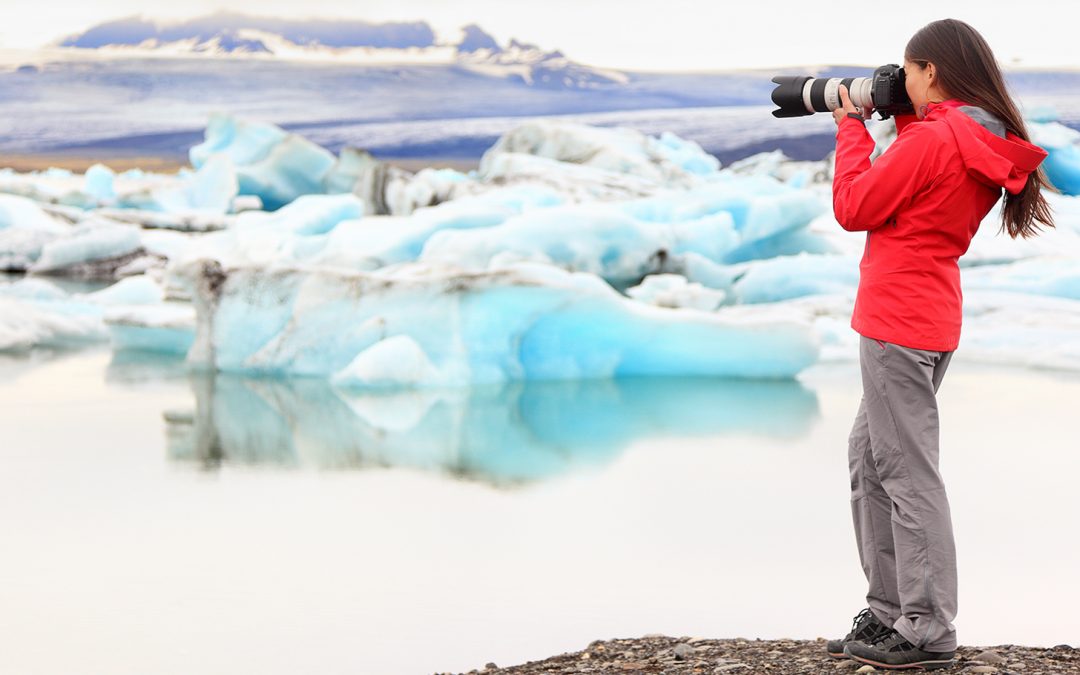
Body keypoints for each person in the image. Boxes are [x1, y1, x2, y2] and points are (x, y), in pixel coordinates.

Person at [822, 18, 1054, 671]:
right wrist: (900, 125)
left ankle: (924, 627)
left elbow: (856, 205)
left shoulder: (940, 137)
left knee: (902, 468)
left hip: (897, 317)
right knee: (871, 457)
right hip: (926, 313)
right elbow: (918, 194)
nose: (906, 83)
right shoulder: (975, 137)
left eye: (909, 71)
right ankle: (891, 609)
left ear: (931, 71)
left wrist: (849, 125)